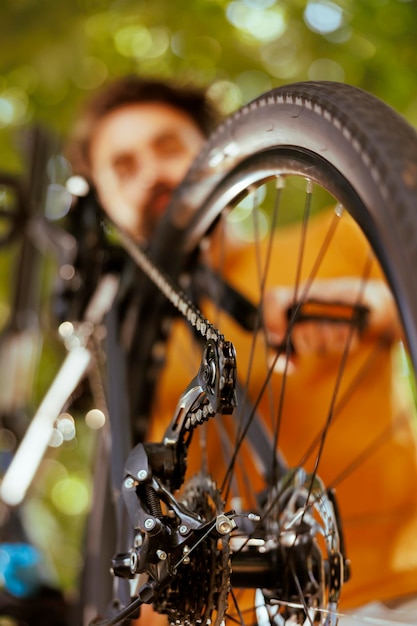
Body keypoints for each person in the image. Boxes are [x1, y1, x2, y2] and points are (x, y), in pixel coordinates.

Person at [64, 75, 417, 624]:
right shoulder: (119, 353)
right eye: (123, 167)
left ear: (215, 149)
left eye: (168, 147)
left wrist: (378, 303)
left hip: (399, 592)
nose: (152, 174)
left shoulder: (339, 238)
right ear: (103, 199)